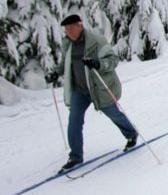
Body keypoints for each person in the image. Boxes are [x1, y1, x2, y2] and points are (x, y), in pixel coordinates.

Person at [45, 14, 138, 173]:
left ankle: (131, 134)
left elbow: (113, 60)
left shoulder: (96, 40)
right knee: (74, 121)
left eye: (71, 28)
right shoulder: (68, 44)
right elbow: (64, 65)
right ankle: (75, 156)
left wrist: (98, 63)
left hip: (98, 88)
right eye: (66, 29)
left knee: (113, 113)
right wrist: (55, 73)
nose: (68, 32)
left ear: (80, 25)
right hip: (79, 91)